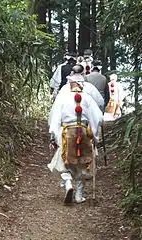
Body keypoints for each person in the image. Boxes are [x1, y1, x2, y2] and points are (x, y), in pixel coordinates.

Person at [47, 65, 103, 204]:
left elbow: (54, 118)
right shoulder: (87, 98)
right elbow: (98, 118)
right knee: (83, 163)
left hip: (66, 132)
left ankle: (68, 184)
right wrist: (95, 136)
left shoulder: (62, 98)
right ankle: (78, 195)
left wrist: (53, 136)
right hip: (84, 131)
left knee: (64, 161)